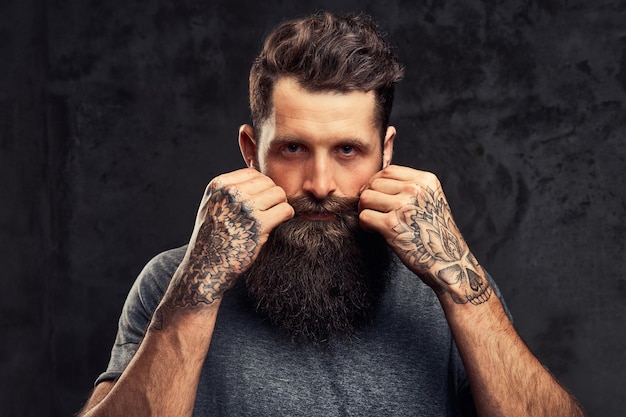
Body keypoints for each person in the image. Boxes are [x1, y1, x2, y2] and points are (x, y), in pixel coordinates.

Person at [79, 11, 585, 417]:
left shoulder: (452, 284)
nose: (320, 185)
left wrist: (465, 293)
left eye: (347, 150)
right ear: (250, 150)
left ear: (385, 154)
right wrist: (198, 288)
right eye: (293, 149)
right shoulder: (174, 281)